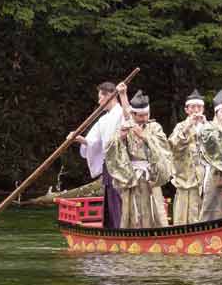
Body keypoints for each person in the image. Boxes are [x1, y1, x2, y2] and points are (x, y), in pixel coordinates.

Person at [105, 90, 172, 228]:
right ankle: (132, 232)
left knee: (154, 207)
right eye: (140, 115)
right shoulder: (127, 127)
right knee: (131, 208)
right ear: (133, 114)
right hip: (132, 174)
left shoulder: (155, 127)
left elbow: (163, 148)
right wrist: (121, 137)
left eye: (146, 114)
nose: (144, 118)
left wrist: (145, 137)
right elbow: (110, 149)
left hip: (150, 174)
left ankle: (156, 231)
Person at [69, 81, 125, 228]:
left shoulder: (122, 113)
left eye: (101, 98)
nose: (99, 101)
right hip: (109, 164)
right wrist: (79, 139)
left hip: (123, 163)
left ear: (109, 96)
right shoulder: (104, 119)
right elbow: (93, 142)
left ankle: (121, 228)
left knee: (119, 196)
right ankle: (112, 227)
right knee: (110, 195)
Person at [168, 90, 208, 225]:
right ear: (186, 109)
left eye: (199, 107)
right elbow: (172, 145)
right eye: (193, 107)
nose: (196, 110)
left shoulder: (208, 126)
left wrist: (207, 127)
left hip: (205, 174)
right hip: (185, 174)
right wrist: (187, 127)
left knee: (204, 208)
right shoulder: (180, 126)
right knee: (183, 209)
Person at [198, 89, 222, 221]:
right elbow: (214, 152)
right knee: (212, 209)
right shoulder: (208, 129)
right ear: (216, 113)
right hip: (216, 174)